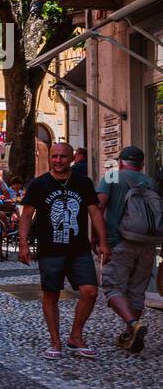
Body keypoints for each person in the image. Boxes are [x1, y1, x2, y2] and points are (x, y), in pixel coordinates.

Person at [19, 142, 110, 358]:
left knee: (90, 291)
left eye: (62, 157)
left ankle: (75, 337)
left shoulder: (83, 183)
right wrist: (23, 245)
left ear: (71, 158)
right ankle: (55, 342)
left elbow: (95, 213)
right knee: (51, 294)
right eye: (54, 156)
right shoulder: (39, 184)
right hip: (50, 249)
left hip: (79, 249)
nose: (58, 160)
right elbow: (26, 215)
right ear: (50, 158)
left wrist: (104, 242)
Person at [97, 146, 159, 353]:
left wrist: (96, 237)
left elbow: (99, 207)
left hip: (119, 242)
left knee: (112, 287)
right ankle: (130, 335)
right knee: (137, 291)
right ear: (141, 164)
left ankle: (133, 324)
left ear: (121, 161)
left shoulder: (112, 177)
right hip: (148, 244)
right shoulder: (150, 181)